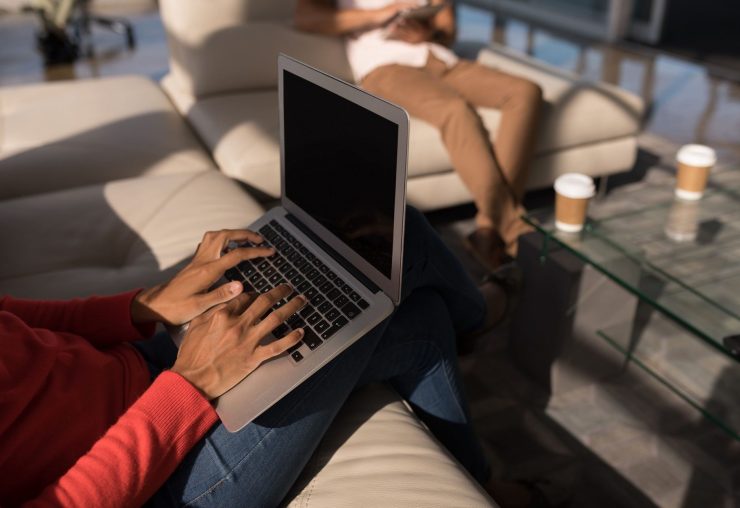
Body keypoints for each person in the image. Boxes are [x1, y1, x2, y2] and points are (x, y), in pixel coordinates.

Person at [0, 207, 535, 507]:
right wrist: (192, 385)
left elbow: (16, 320)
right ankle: (479, 321)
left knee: (377, 249)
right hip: (160, 485)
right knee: (401, 248)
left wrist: (147, 305)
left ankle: (479, 470)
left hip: (142, 366)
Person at [294, 0, 543, 269]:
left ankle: (487, 229)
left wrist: (429, 34)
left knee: (525, 92)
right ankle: (515, 230)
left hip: (438, 59)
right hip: (385, 67)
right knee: (455, 110)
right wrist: (384, 13)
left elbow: (447, 26)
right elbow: (306, 18)